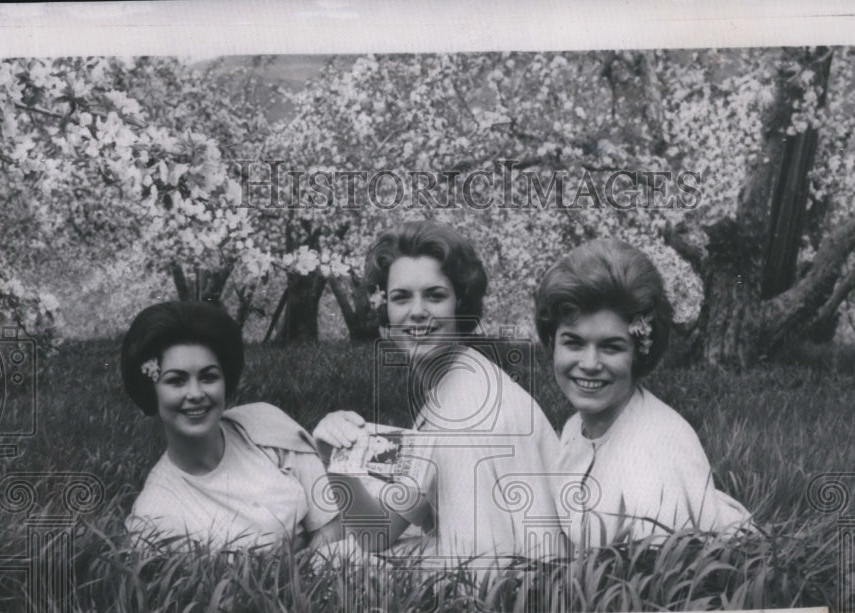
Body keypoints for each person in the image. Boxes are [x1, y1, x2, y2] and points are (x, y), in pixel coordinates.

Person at [313, 220, 567, 562]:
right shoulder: (447, 385)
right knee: (328, 558)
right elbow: (377, 533)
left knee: (330, 563)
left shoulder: (467, 409)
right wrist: (335, 460)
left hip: (512, 576)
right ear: (386, 307)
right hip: (481, 560)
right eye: (401, 297)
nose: (417, 312)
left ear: (459, 304)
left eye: (435, 296)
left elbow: (479, 569)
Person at [534, 239, 753, 549]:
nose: (590, 364)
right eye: (574, 342)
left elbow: (667, 584)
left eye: (611, 347)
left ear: (639, 353)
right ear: (552, 342)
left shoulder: (654, 455)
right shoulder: (573, 430)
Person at [121, 300, 342, 551]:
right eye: (176, 381)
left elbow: (331, 524)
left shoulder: (266, 426)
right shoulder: (155, 512)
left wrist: (309, 573)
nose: (195, 393)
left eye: (208, 377)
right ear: (152, 391)